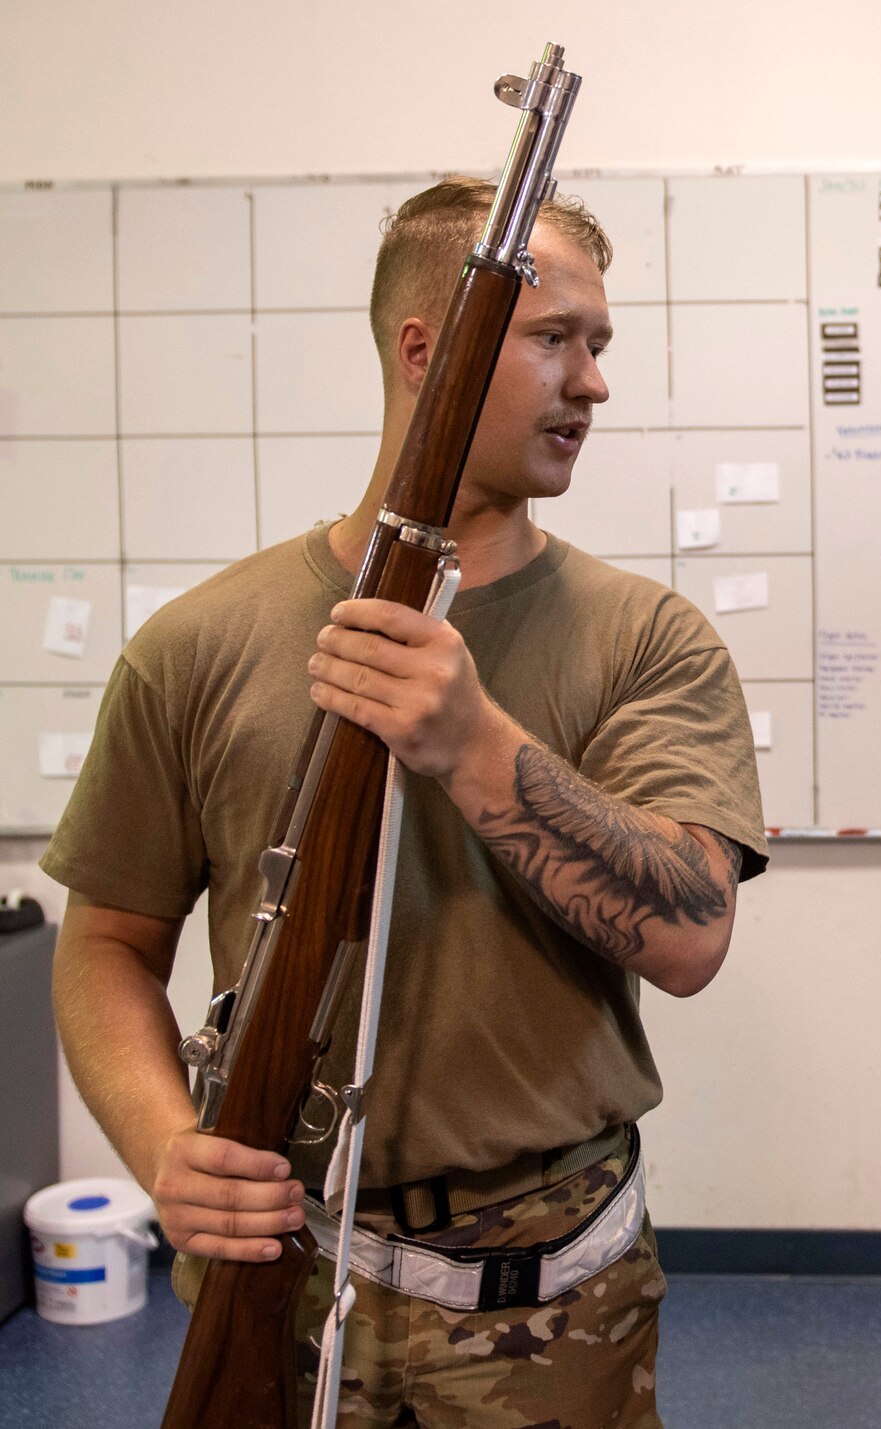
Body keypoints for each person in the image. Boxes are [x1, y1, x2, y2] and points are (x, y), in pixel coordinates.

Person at [44, 177, 767, 1426]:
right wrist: (168, 1150)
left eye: (599, 345)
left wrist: (474, 744)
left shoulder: (649, 639)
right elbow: (105, 943)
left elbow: (691, 934)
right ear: (424, 350)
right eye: (555, 339)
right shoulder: (198, 643)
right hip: (284, 1270)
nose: (592, 383)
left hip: (555, 1302)